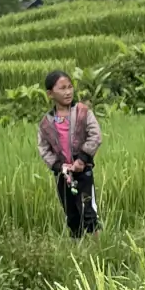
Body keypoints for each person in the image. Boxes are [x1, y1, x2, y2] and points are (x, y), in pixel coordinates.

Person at [37, 69, 101, 238]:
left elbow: (95, 135)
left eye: (70, 87)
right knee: (71, 215)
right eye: (62, 88)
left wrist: (82, 159)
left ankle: (99, 248)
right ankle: (77, 248)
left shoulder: (82, 112)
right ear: (50, 94)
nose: (68, 92)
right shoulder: (46, 122)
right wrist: (59, 166)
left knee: (89, 212)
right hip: (63, 175)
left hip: (83, 172)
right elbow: (44, 148)